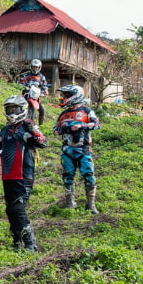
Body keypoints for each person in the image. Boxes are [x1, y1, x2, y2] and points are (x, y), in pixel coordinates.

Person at [0, 94, 47, 251]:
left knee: (18, 209)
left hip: (24, 174)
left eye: (15, 109)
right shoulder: (5, 130)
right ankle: (17, 241)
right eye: (9, 109)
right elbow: (0, 149)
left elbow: (43, 143)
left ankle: (31, 244)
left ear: (22, 109)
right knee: (10, 209)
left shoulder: (27, 125)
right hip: (8, 174)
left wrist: (34, 133)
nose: (12, 112)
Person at [53, 84, 100, 213]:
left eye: (67, 96)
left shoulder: (86, 111)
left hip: (83, 149)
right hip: (67, 150)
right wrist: (67, 128)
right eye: (65, 95)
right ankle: (70, 202)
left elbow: (97, 124)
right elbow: (55, 130)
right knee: (67, 176)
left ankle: (91, 205)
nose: (65, 98)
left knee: (89, 175)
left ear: (76, 96)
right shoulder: (63, 114)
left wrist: (81, 126)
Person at [18, 59, 49, 125]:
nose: (35, 68)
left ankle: (41, 125)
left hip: (36, 97)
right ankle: (23, 123)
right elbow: (20, 83)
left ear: (39, 67)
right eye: (34, 67)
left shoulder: (42, 77)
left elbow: (44, 86)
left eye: (36, 67)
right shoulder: (25, 75)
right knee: (25, 108)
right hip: (26, 95)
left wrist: (44, 91)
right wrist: (23, 86)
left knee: (42, 109)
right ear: (31, 67)